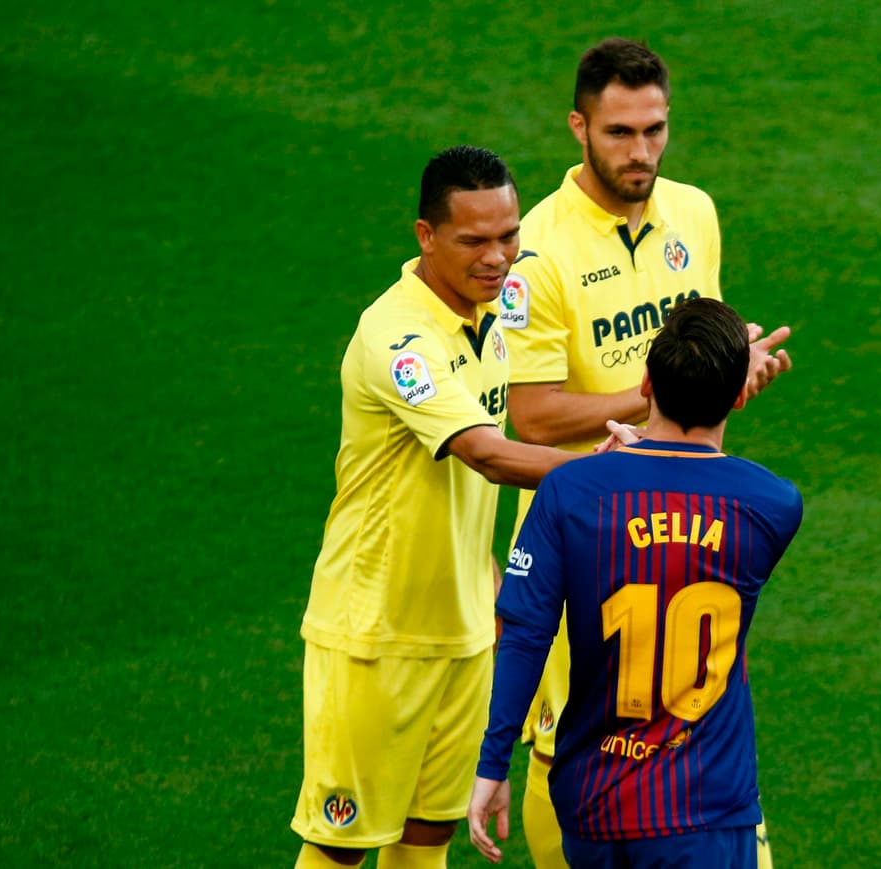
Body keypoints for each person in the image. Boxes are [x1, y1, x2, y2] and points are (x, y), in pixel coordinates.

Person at [497, 36, 791, 868]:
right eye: (621, 132)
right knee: (576, 739)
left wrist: (731, 373)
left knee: (690, 718)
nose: (642, 151)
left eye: (655, 129)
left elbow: (706, 343)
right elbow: (536, 415)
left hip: (688, 520)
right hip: (586, 532)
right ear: (578, 128)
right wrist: (668, 392)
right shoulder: (537, 251)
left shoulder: (693, 212)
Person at [290, 145, 583, 869]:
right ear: (425, 236)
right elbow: (486, 452)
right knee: (341, 845)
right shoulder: (399, 338)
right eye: (475, 241)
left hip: (462, 631)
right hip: (375, 636)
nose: (499, 257)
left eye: (509, 235)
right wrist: (610, 475)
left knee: (428, 836)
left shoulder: (489, 315)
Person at [469, 297, 804, 867]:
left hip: (594, 805)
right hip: (704, 806)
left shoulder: (570, 495)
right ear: (738, 395)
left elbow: (524, 635)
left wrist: (493, 764)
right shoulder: (773, 505)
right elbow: (702, 499)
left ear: (645, 383)